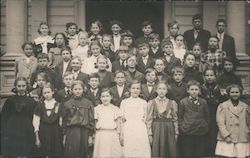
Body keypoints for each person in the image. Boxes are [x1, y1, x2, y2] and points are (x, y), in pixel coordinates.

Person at [1, 77, 37, 157]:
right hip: (13, 131)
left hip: (26, 131)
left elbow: (34, 118)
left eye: (23, 86)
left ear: (26, 86)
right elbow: (4, 117)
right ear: (15, 87)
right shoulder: (10, 100)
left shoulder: (31, 101)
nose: (21, 88)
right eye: (19, 86)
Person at [215, 84, 250, 158]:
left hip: (241, 137)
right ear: (229, 93)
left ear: (240, 93)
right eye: (232, 92)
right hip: (228, 137)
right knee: (227, 155)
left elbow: (248, 122)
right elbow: (220, 123)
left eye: (237, 92)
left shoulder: (245, 106)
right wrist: (226, 135)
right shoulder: (223, 106)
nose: (235, 94)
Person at [63, 80, 95, 158]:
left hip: (84, 131)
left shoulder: (88, 103)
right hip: (72, 131)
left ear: (83, 89)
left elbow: (91, 120)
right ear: (72, 90)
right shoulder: (68, 103)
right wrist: (64, 135)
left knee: (83, 153)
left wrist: (91, 136)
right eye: (75, 89)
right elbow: (64, 121)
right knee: (72, 153)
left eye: (79, 89)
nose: (77, 91)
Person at [179, 80, 210, 158]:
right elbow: (180, 116)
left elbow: (207, 116)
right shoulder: (183, 102)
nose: (194, 92)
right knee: (188, 153)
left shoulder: (203, 102)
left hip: (200, 131)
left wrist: (205, 126)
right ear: (188, 90)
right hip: (187, 131)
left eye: (196, 89)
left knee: (199, 153)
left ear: (199, 91)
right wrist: (182, 127)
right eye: (192, 89)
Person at [147, 81, 178, 158]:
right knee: (157, 148)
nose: (161, 91)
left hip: (169, 129)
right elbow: (149, 119)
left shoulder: (172, 103)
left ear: (167, 91)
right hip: (156, 128)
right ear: (156, 90)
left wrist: (176, 132)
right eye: (159, 88)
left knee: (169, 149)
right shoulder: (151, 102)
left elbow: (175, 119)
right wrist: (149, 133)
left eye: (164, 89)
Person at [120, 80, 151, 158]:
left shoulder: (144, 102)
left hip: (140, 129)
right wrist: (121, 135)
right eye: (133, 88)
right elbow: (121, 120)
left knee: (140, 150)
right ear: (129, 89)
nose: (135, 90)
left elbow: (146, 119)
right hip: (128, 129)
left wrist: (148, 133)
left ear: (140, 90)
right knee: (129, 150)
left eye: (137, 88)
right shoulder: (124, 102)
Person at [33, 83, 63, 157]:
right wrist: (37, 137)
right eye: (45, 93)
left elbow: (61, 121)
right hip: (44, 131)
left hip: (55, 132)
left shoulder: (58, 105)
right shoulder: (40, 105)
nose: (47, 94)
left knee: (55, 152)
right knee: (44, 152)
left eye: (48, 92)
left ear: (53, 92)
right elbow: (36, 121)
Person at [93, 88, 123, 158]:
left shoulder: (115, 109)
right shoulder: (97, 109)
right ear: (100, 98)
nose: (105, 98)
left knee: (112, 153)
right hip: (100, 134)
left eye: (107, 96)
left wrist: (119, 135)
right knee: (102, 153)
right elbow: (95, 123)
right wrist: (93, 136)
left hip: (112, 134)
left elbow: (118, 123)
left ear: (111, 97)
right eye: (103, 96)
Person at [200, 68, 222, 156]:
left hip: (215, 112)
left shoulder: (218, 88)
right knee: (205, 131)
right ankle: (204, 151)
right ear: (204, 77)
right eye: (207, 75)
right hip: (203, 113)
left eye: (211, 75)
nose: (209, 77)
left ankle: (214, 151)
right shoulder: (201, 88)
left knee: (214, 131)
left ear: (215, 76)